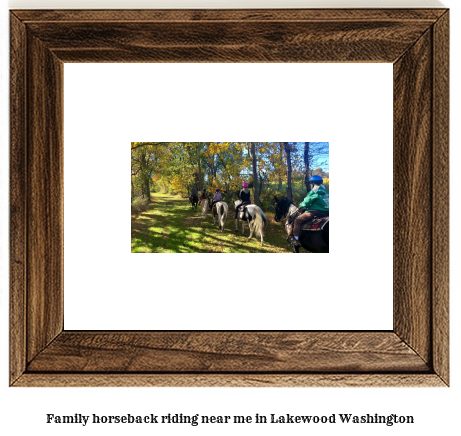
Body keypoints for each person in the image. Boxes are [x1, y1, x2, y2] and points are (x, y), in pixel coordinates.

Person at [288, 175, 329, 247]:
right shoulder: (325, 191)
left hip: (315, 211)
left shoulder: (314, 191)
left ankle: (295, 240)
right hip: (327, 212)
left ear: (313, 183)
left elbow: (307, 201)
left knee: (297, 221)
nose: (310, 185)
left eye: (310, 183)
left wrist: (301, 205)